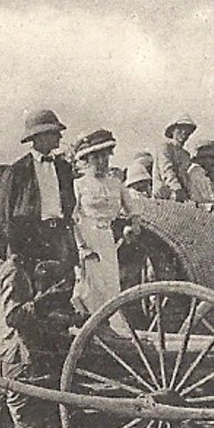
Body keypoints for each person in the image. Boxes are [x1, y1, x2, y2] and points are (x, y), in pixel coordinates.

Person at [0, 232, 75, 428]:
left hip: (1, 354)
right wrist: (45, 299)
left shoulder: (4, 269)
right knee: (23, 425)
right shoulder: (15, 274)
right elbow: (14, 317)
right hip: (15, 355)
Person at [69, 128, 140, 318]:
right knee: (91, 287)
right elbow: (71, 219)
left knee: (110, 285)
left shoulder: (116, 183)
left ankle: (111, 327)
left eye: (105, 157)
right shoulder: (79, 185)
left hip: (107, 239)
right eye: (96, 158)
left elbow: (133, 211)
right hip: (86, 238)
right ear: (87, 159)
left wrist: (132, 226)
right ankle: (89, 326)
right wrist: (81, 247)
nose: (101, 162)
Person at [0, 108, 78, 266]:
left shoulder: (64, 168)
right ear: (39, 136)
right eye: (54, 132)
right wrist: (10, 249)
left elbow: (71, 204)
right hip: (29, 240)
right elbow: (4, 214)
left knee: (62, 286)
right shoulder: (17, 171)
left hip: (59, 238)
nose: (60, 136)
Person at [154, 115, 197, 201]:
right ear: (173, 131)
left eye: (187, 131)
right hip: (164, 193)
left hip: (182, 195)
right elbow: (166, 170)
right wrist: (177, 188)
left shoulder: (185, 155)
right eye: (180, 130)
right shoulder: (165, 148)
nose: (184, 133)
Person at [186, 138, 214, 207]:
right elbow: (205, 200)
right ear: (202, 158)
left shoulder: (203, 172)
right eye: (212, 158)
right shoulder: (197, 172)